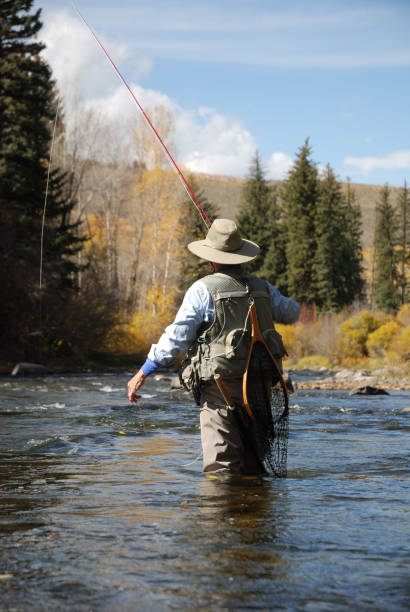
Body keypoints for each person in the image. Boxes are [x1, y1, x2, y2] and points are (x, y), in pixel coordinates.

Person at [127, 219, 300, 474]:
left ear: (212, 258)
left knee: (221, 467)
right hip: (260, 385)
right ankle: (256, 512)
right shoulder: (263, 287)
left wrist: (144, 372)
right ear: (241, 255)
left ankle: (221, 514)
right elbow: (292, 312)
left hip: (221, 388)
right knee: (254, 462)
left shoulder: (202, 289)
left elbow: (176, 338)